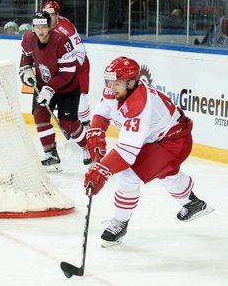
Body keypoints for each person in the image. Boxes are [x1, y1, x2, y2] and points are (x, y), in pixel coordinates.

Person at [83, 56, 213, 247]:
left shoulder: (139, 103)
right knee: (164, 173)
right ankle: (192, 203)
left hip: (173, 141)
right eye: (108, 82)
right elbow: (103, 110)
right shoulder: (117, 88)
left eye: (116, 83)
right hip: (157, 138)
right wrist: (96, 130)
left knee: (128, 174)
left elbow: (126, 153)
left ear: (132, 81)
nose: (111, 87)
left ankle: (120, 222)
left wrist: (102, 169)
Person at [18, 11, 91, 172]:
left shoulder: (62, 41)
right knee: (39, 114)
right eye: (37, 27)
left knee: (69, 125)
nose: (41, 31)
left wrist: (50, 89)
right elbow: (26, 59)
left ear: (50, 27)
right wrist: (26, 71)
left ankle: (88, 147)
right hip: (44, 85)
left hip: (68, 87)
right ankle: (50, 154)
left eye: (44, 27)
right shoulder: (29, 39)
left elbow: (68, 73)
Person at [42, 1, 92, 129]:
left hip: (78, 63)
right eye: (46, 14)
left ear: (57, 15)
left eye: (51, 15)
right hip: (62, 64)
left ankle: (86, 125)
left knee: (79, 93)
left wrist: (72, 69)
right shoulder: (43, 26)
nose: (48, 17)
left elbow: (80, 50)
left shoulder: (66, 28)